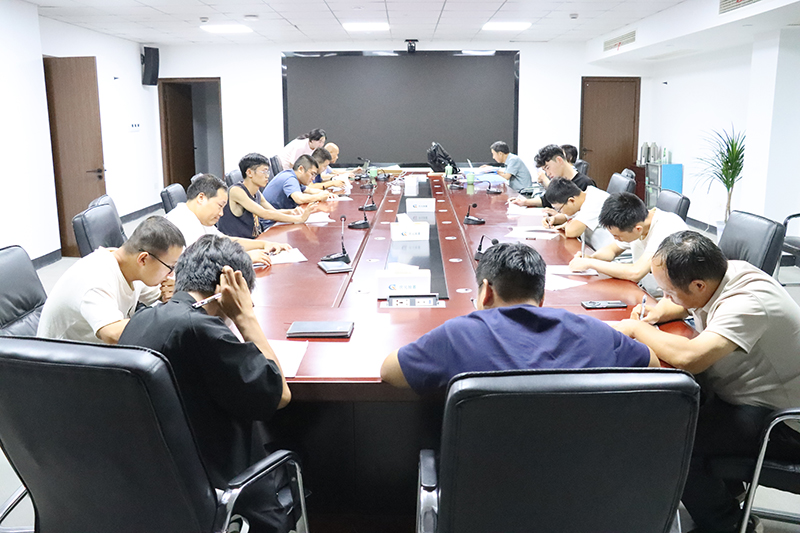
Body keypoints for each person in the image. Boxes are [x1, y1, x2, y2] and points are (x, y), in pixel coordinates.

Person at [613, 231, 800, 533]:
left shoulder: (748, 302)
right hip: (748, 398)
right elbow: (688, 303)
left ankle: (728, 525)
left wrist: (636, 329)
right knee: (679, 411)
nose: (665, 296)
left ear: (698, 284)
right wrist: (659, 312)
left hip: (785, 424)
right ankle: (727, 490)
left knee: (674, 438)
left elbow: (691, 357)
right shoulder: (725, 273)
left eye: (668, 291)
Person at [118, 235, 293, 533]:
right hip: (220, 492)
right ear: (230, 287)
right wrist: (245, 316)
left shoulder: (140, 320)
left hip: (150, 489)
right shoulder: (200, 329)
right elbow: (280, 395)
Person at [380, 242, 657, 394]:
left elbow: (389, 371)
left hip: (484, 480)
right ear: (542, 296)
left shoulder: (457, 335)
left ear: (486, 292)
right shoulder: (595, 332)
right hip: (582, 478)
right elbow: (652, 363)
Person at [37, 216, 185, 344]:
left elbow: (164, 294)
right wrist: (165, 324)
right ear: (143, 259)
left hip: (90, 352)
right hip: (59, 360)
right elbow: (112, 334)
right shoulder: (96, 277)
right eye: (170, 267)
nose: (170, 275)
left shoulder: (130, 265)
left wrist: (172, 292)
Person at [165, 174, 290, 264]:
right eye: (219, 206)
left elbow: (224, 241)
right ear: (201, 198)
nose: (221, 213)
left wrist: (264, 244)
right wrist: (244, 257)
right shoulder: (181, 221)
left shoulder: (198, 218)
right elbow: (198, 263)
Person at [568, 192, 687, 282]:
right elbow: (612, 250)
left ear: (637, 229)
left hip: (665, 297)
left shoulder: (666, 227)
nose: (616, 239)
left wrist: (591, 264)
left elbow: (636, 273)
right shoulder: (637, 221)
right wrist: (591, 258)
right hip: (643, 288)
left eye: (618, 236)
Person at [218, 153, 322, 237]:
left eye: (268, 171)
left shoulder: (256, 192)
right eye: (264, 171)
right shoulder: (236, 191)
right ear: (249, 173)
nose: (267, 176)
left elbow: (273, 211)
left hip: (255, 240)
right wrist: (299, 219)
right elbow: (264, 213)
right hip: (238, 247)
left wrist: (291, 211)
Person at [509, 144, 596, 208]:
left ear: (559, 160)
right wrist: (524, 202)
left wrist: (560, 216)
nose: (548, 173)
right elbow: (546, 200)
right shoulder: (558, 182)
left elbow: (585, 215)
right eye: (545, 170)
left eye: (548, 168)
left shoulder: (585, 184)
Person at [540, 177, 615, 251]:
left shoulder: (595, 200)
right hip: (593, 250)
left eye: (559, 209)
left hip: (612, 254)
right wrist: (554, 219)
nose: (560, 212)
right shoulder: (583, 197)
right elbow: (567, 216)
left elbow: (571, 232)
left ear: (571, 200)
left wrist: (566, 225)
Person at [263, 154, 334, 211]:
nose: (313, 178)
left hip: (281, 216)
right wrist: (319, 197)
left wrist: (326, 193)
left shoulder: (294, 177)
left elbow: (309, 190)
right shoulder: (290, 178)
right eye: (312, 174)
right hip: (272, 222)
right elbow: (299, 198)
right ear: (301, 169)